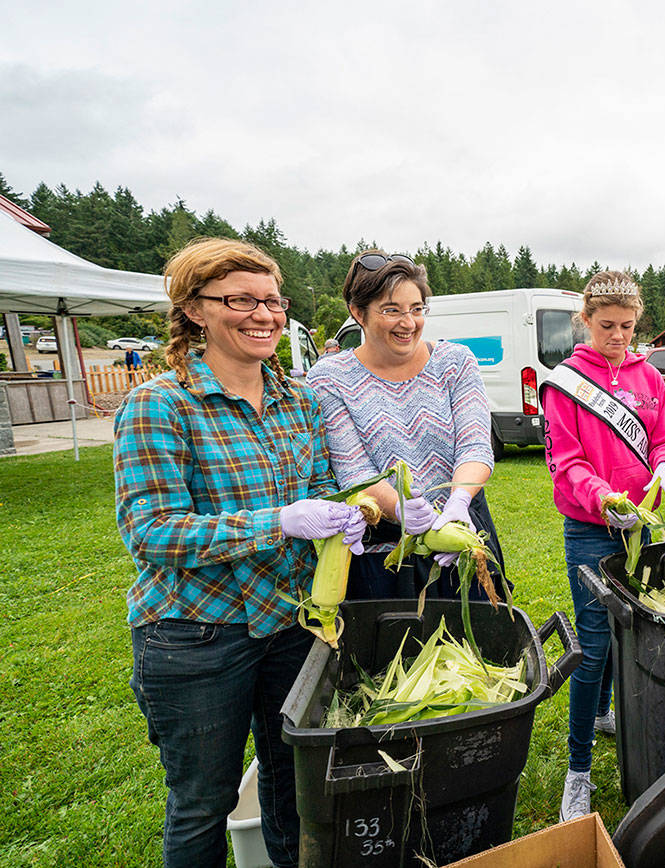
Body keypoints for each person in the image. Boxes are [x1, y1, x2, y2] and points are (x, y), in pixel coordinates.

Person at [114, 237, 366, 868]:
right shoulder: (159, 404)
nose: (265, 315)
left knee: (293, 789)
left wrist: (342, 517)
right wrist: (278, 521)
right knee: (203, 804)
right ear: (195, 310)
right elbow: (154, 531)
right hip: (196, 632)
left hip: (290, 624)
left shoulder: (296, 400)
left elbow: (314, 490)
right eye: (241, 300)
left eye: (273, 301)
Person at [540, 270, 665, 821]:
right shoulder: (563, 382)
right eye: (607, 325)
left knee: (627, 632)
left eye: (628, 326)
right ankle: (578, 769)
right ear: (585, 320)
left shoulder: (648, 376)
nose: (619, 336)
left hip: (641, 525)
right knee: (595, 642)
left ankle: (605, 713)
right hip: (590, 526)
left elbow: (664, 437)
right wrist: (603, 497)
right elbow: (567, 460)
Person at [307, 250, 506, 600]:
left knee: (479, 637)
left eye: (416, 309)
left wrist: (458, 502)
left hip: (461, 524)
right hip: (382, 545)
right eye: (392, 310)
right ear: (358, 313)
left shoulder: (455, 362)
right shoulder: (330, 378)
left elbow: (475, 445)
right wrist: (402, 510)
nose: (408, 323)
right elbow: (353, 470)